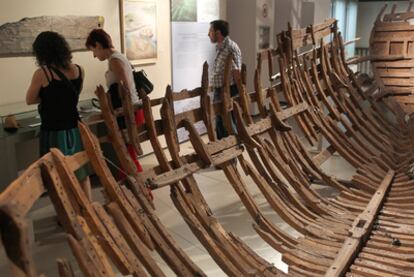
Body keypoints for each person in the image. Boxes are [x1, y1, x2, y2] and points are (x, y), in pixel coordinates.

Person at [26, 31, 91, 199]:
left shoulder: (43, 73)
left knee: (58, 175)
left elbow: (30, 99)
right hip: (75, 128)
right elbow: (75, 94)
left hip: (54, 131)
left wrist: (48, 96)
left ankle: (68, 217)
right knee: (81, 172)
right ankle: (87, 208)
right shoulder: (79, 70)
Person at [85, 28, 144, 174]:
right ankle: (134, 188)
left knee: (129, 155)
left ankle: (143, 190)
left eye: (93, 50)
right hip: (129, 110)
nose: (94, 55)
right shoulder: (116, 58)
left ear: (98, 45)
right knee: (127, 154)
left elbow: (124, 90)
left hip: (128, 112)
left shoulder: (115, 60)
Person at [208, 19, 242, 140]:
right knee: (220, 122)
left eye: (210, 31)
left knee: (226, 122)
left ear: (218, 33)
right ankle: (226, 150)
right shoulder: (221, 47)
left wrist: (240, 94)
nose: (208, 34)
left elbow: (236, 72)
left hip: (228, 91)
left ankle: (231, 150)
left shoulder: (230, 48)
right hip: (220, 90)